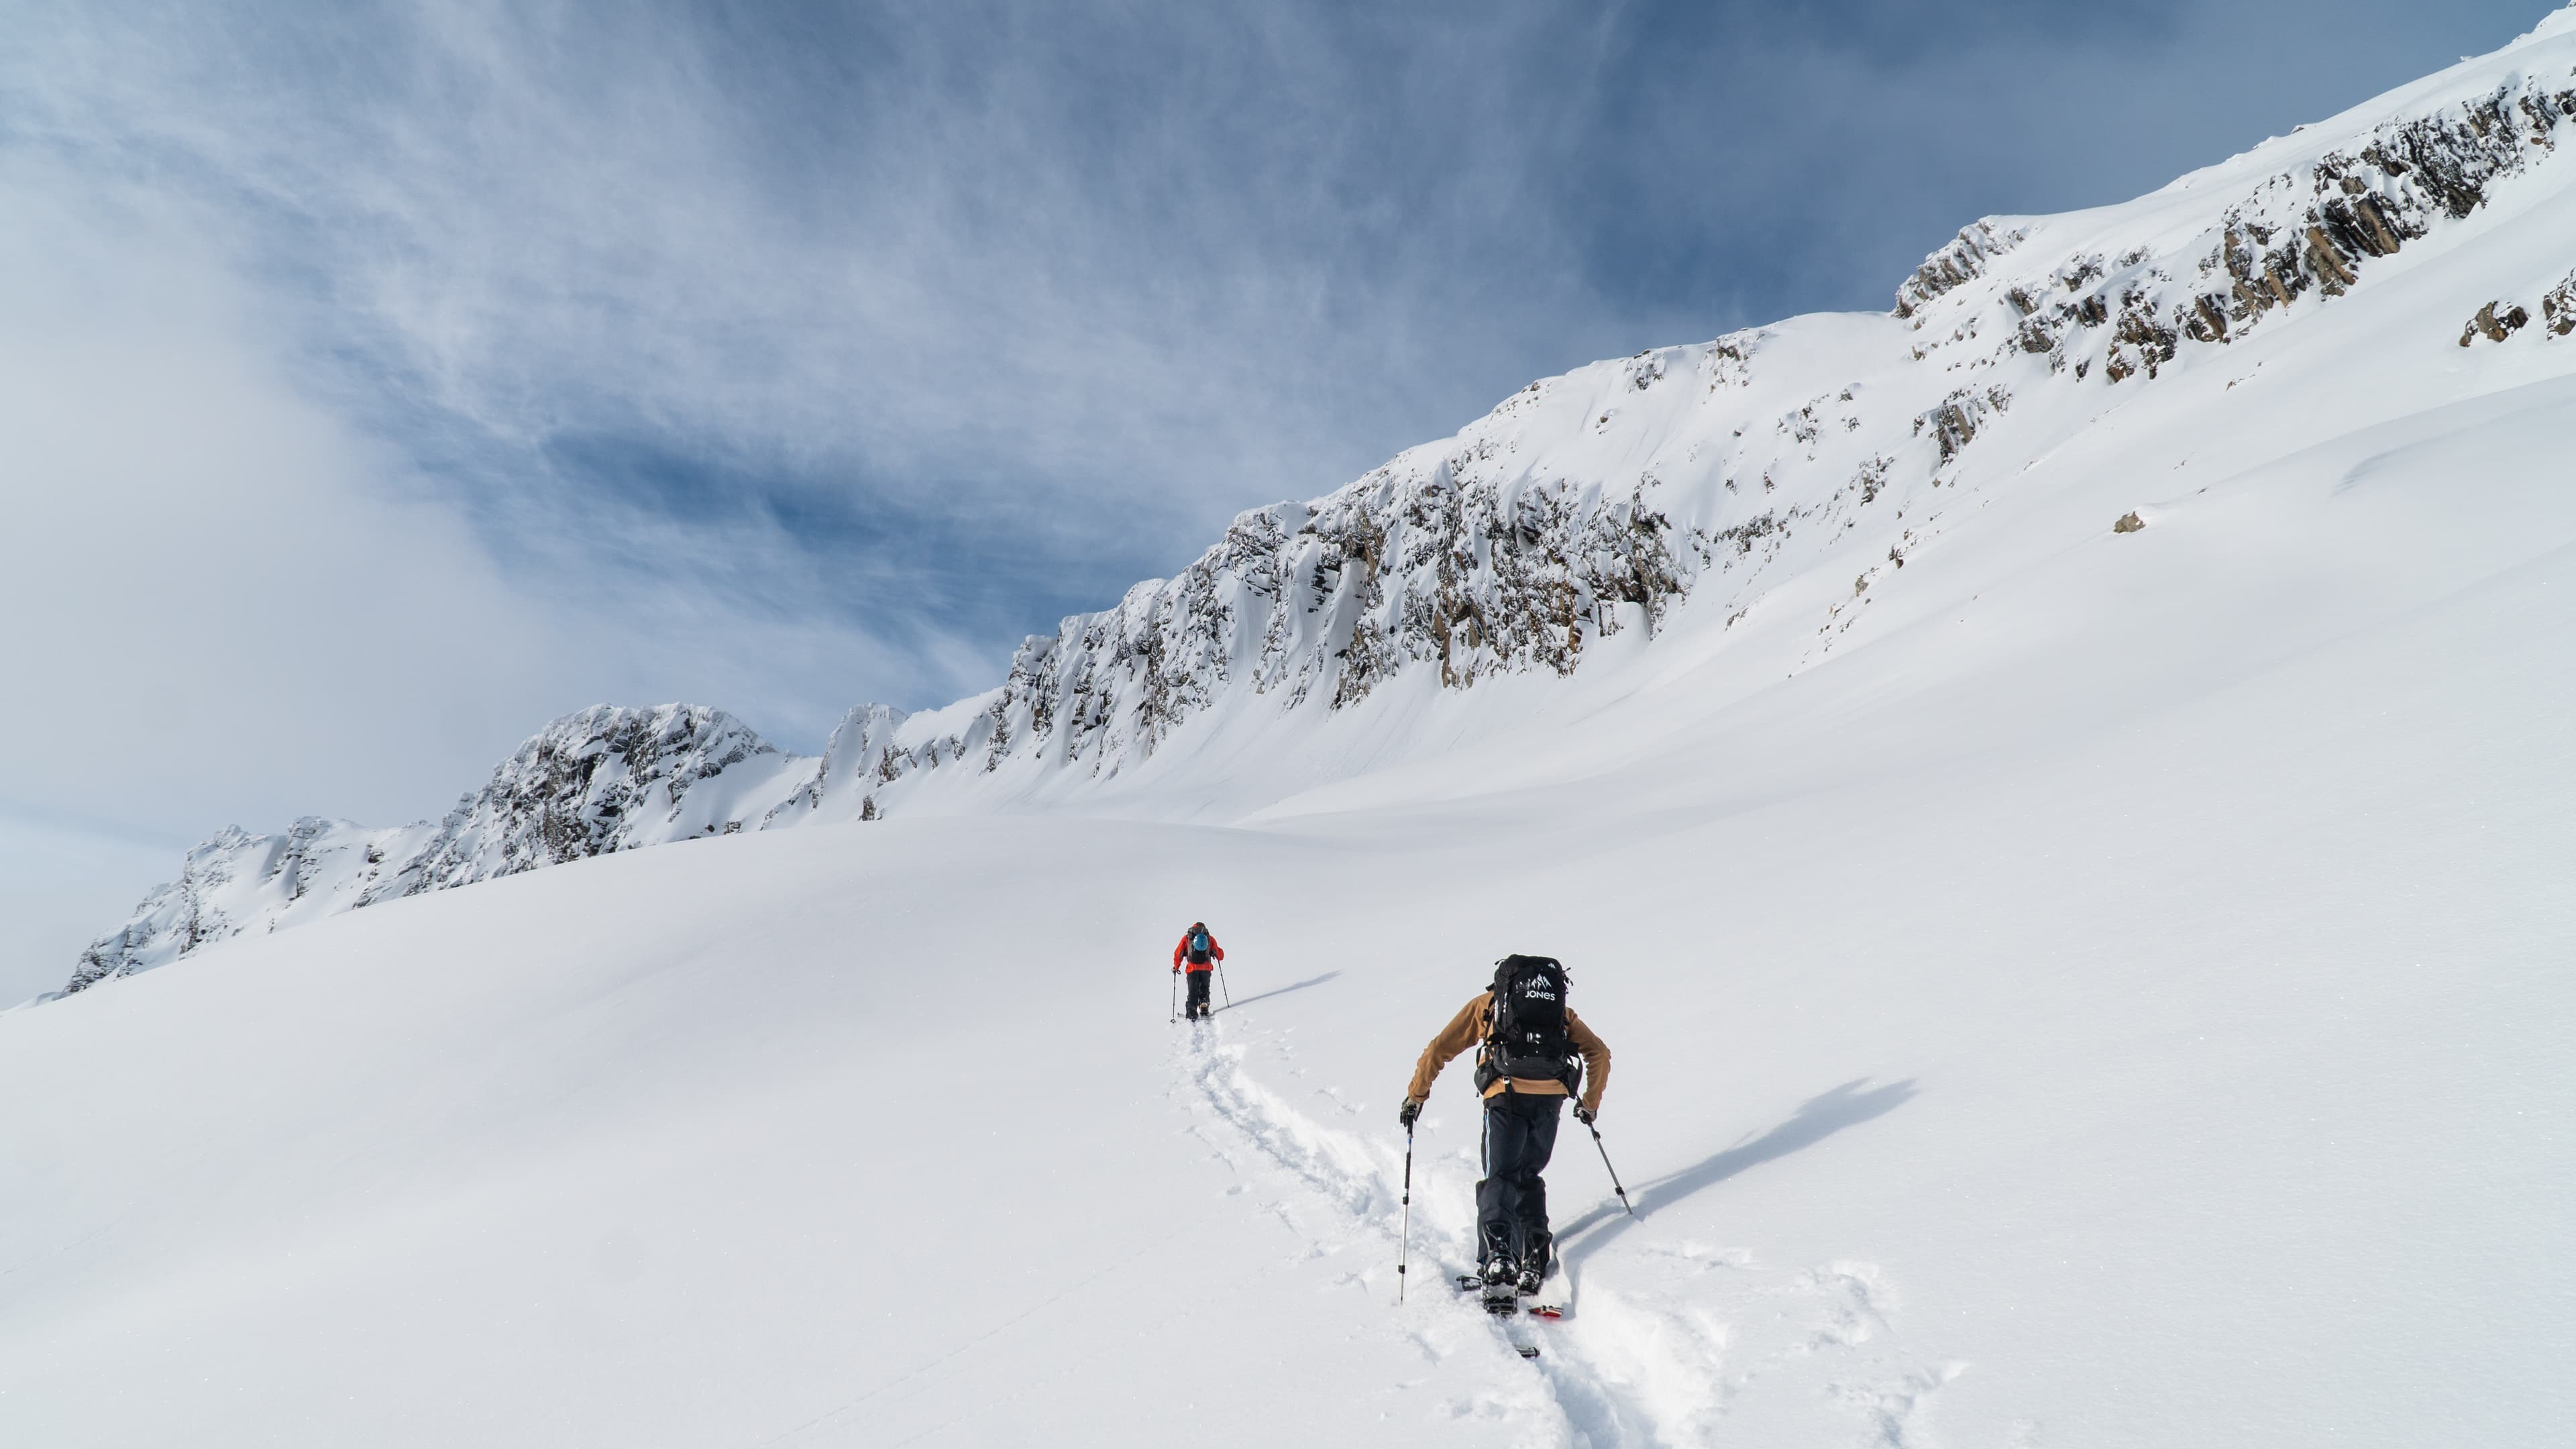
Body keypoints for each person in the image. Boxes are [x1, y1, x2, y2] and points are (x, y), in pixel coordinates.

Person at [1399, 955, 1610, 1295]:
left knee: (1501, 1176)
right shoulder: (1559, 1012)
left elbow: (1440, 1048)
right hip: (1550, 1096)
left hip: (1505, 1094)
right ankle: (1534, 1259)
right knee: (1528, 1175)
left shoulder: (1489, 1005)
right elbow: (1599, 1052)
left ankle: (1499, 1255)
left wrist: (1416, 1096)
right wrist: (1589, 1104)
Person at [1171, 921, 1224, 1020]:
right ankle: (1204, 1004)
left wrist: (1176, 966)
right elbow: (1220, 956)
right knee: (1204, 988)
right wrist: (1216, 953)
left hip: (1192, 969)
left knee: (1193, 991)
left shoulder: (1187, 938)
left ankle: (1192, 1012)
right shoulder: (1209, 938)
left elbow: (1178, 954)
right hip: (1206, 968)